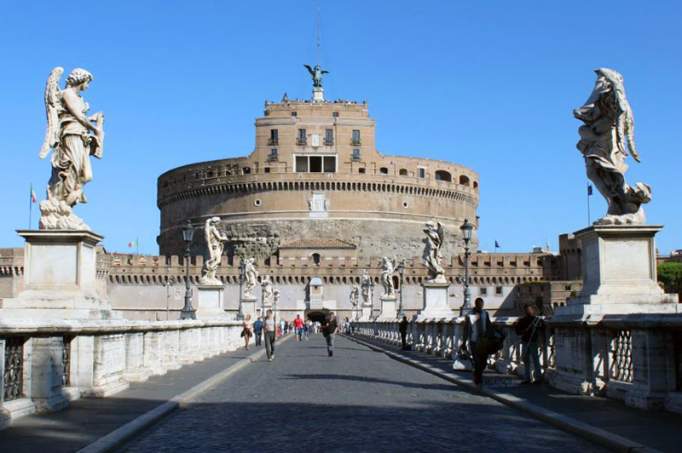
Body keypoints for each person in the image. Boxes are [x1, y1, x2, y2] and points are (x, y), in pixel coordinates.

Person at [461, 298, 494, 386]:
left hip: (484, 341)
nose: (481, 306)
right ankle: (478, 378)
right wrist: (464, 342)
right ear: (476, 304)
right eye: (479, 304)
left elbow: (489, 326)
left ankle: (477, 375)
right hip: (474, 341)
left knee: (484, 361)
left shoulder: (485, 314)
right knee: (477, 360)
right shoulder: (470, 315)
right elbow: (466, 329)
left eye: (482, 304)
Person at [515, 304, 545, 384]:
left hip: (534, 342)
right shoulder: (522, 320)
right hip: (525, 342)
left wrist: (541, 342)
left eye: (529, 309)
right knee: (526, 360)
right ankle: (527, 377)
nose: (528, 311)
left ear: (533, 310)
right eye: (527, 310)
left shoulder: (537, 320)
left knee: (535, 360)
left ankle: (538, 378)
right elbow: (518, 332)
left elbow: (542, 329)